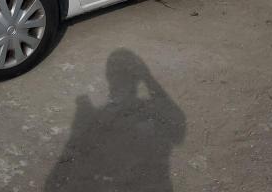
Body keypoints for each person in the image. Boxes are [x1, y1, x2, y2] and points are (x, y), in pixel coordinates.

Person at [45, 48, 186, 191]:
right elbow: (178, 127)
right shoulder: (148, 111)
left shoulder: (98, 117)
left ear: (108, 76)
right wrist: (148, 78)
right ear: (137, 77)